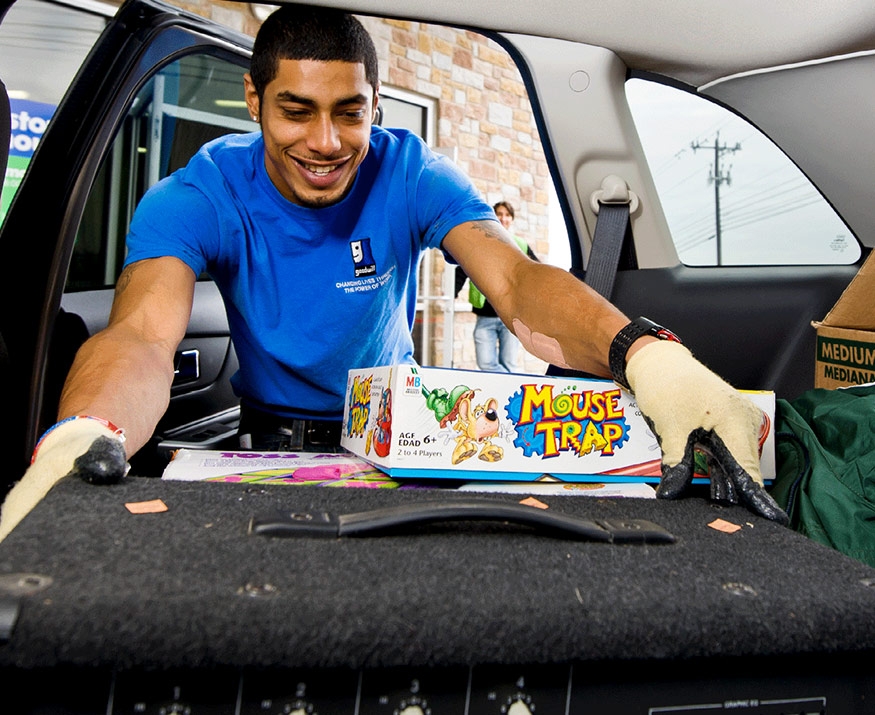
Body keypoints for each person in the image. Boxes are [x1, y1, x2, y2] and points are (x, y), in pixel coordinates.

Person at [0, 4, 787, 540]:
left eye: (351, 111)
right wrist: (84, 431)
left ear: (375, 105)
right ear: (254, 100)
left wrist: (645, 354)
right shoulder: (200, 191)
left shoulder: (411, 173)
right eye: (296, 110)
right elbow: (141, 331)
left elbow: (514, 283)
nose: (326, 141)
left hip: (398, 439)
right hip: (264, 444)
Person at [455, 200, 537, 372]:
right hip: (485, 317)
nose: (503, 218)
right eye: (499, 214)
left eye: (507, 215)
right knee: (486, 363)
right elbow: (462, 269)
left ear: (511, 219)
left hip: (511, 317)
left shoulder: (520, 245)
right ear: (493, 217)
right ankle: (510, 383)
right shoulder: (478, 243)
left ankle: (508, 389)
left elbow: (535, 272)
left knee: (509, 364)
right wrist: (452, 294)